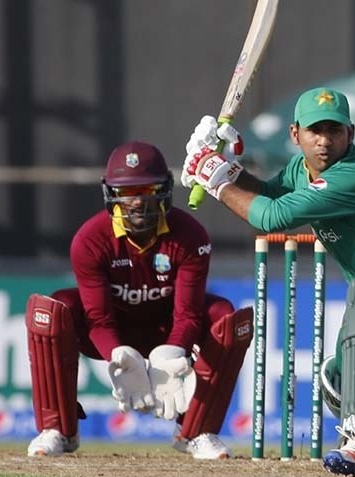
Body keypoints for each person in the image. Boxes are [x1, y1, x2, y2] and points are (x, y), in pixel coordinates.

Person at [181, 88, 355, 477]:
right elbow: (267, 194)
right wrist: (227, 166)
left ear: (351, 133)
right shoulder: (301, 170)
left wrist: (212, 179)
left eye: (334, 131)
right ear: (296, 134)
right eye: (315, 131)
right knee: (338, 381)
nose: (325, 141)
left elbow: (271, 218)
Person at [25, 141, 253, 459]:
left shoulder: (190, 235)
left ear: (163, 190)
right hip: (110, 331)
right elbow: (97, 317)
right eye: (127, 191)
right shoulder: (90, 239)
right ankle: (58, 430)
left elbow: (187, 313)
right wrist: (117, 354)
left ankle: (197, 431)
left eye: (147, 190)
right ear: (112, 194)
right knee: (52, 308)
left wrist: (172, 354)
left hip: (168, 329)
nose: (137, 202)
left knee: (225, 317)